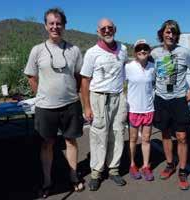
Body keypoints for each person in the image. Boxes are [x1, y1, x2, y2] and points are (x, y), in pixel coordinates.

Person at [24, 7, 84, 198]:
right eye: (51, 23)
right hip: (45, 107)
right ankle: (47, 181)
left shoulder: (74, 50)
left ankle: (74, 176)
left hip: (70, 104)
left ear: (64, 25)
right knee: (46, 144)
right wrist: (41, 94)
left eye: (58, 23)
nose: (55, 27)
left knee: (71, 141)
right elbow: (31, 76)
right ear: (46, 26)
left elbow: (79, 77)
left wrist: (79, 99)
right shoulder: (37, 50)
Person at [151, 20, 190, 190]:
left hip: (179, 99)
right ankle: (169, 164)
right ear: (162, 34)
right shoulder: (155, 53)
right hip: (161, 99)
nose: (170, 35)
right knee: (165, 133)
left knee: (181, 137)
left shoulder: (184, 52)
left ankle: (182, 170)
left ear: (177, 35)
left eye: (173, 32)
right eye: (167, 32)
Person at [80, 18, 128, 191]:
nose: (107, 31)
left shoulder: (123, 49)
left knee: (118, 133)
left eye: (110, 28)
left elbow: (124, 73)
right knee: (99, 134)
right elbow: (85, 81)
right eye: (103, 28)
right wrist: (86, 106)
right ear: (98, 31)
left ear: (115, 29)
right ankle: (96, 173)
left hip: (118, 96)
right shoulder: (92, 53)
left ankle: (114, 169)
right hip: (98, 97)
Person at [125, 39, 155, 181]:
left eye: (145, 48)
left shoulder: (152, 67)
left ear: (149, 51)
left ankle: (145, 166)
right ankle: (132, 165)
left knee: (146, 139)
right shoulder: (128, 67)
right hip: (133, 109)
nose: (142, 51)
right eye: (139, 48)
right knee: (132, 139)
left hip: (148, 109)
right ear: (135, 51)